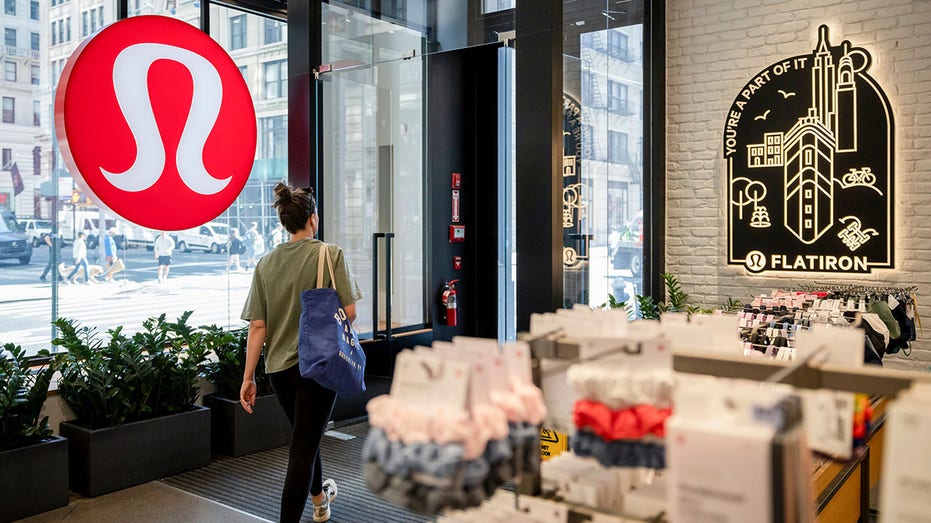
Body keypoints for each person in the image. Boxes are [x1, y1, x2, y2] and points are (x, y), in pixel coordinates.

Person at [240, 183, 362, 523]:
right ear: (313, 219)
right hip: (318, 367)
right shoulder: (329, 254)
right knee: (302, 450)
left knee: (305, 438)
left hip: (278, 370)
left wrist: (248, 377)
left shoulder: (265, 264)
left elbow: (257, 327)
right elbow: (349, 312)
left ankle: (320, 501)